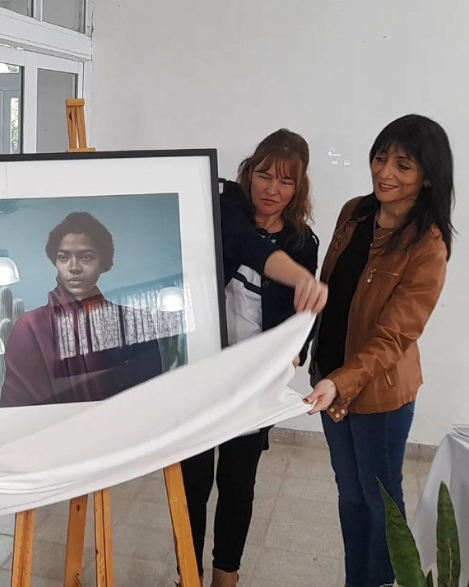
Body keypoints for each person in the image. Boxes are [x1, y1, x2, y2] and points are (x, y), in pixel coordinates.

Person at [304, 114, 453, 587]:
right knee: (350, 494)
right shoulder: (355, 212)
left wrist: (340, 382)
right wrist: (300, 347)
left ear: (427, 176)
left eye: (403, 164)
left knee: (382, 504)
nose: (385, 172)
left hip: (378, 396)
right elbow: (329, 291)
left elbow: (394, 337)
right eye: (380, 157)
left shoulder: (427, 245)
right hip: (329, 379)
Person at [181, 129, 319, 587]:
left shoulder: (303, 242)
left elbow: (303, 312)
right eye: (264, 174)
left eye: (285, 182)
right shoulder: (224, 210)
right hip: (202, 373)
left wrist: (297, 349)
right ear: (249, 171)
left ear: (298, 189)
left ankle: (226, 577)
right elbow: (246, 245)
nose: (271, 189)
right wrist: (299, 277)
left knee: (238, 485)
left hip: (254, 381)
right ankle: (189, 572)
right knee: (193, 483)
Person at [0, 211, 164, 408]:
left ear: (104, 262)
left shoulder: (135, 323)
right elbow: (16, 410)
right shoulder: (30, 327)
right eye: (64, 257)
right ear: (55, 261)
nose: (74, 267)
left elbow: (151, 402)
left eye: (86, 257)